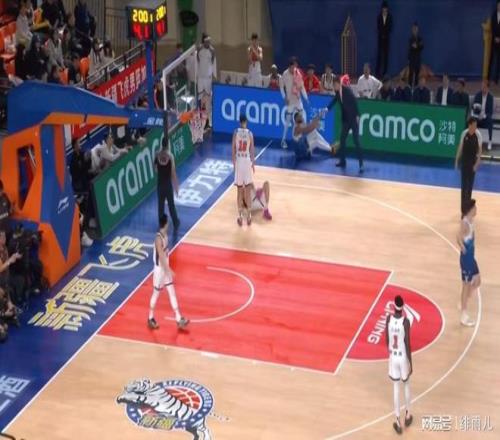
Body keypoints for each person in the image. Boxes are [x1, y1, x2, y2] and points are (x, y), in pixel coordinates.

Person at [148, 214, 189, 330]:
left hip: (165, 268)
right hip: (159, 270)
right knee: (156, 293)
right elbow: (161, 256)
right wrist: (169, 270)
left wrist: (167, 268)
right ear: (165, 223)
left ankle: (178, 318)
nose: (169, 223)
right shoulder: (158, 239)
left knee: (172, 291)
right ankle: (150, 317)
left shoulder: (165, 235)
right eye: (168, 222)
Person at [385, 294, 413, 434]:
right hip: (402, 357)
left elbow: (386, 339)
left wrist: (390, 353)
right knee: (406, 384)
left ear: (394, 306)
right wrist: (410, 362)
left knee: (396, 387)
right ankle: (408, 415)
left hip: (393, 356)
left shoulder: (388, 319)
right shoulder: (405, 322)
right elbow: (407, 343)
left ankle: (397, 420)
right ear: (403, 307)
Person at [326, 75, 364, 172]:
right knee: (342, 140)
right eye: (333, 85)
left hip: (353, 119)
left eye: (335, 85)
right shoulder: (337, 92)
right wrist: (327, 108)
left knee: (356, 141)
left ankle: (361, 164)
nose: (334, 87)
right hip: (346, 120)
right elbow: (335, 100)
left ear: (339, 84)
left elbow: (354, 101)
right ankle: (342, 161)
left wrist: (358, 115)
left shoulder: (347, 90)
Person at [457, 199, 480, 327]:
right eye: (475, 207)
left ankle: (463, 301)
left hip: (471, 257)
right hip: (466, 259)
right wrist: (462, 247)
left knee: (477, 281)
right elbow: (458, 237)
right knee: (466, 285)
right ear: (470, 209)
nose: (476, 209)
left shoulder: (471, 221)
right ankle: (463, 316)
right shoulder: (465, 223)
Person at [455, 118, 482, 217]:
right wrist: (456, 160)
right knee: (464, 187)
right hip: (464, 163)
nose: (475, 127)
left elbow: (480, 151)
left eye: (476, 125)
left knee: (469, 187)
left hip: (472, 164)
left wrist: (476, 164)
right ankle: (463, 211)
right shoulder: (464, 134)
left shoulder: (478, 135)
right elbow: (460, 147)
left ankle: (468, 209)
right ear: (470, 125)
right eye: (474, 125)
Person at [280, 57, 308, 149]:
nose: (294, 69)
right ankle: (283, 140)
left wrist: (306, 98)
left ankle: (304, 140)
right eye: (292, 67)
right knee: (287, 122)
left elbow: (302, 87)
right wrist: (284, 97)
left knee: (302, 120)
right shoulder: (284, 74)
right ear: (289, 66)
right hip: (290, 102)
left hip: (298, 100)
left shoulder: (298, 73)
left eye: (295, 66)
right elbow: (281, 87)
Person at [232, 114, 255, 226]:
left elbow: (233, 148)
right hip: (246, 161)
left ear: (239, 122)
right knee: (248, 190)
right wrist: (253, 164)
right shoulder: (250, 133)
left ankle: (240, 216)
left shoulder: (236, 132)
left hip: (239, 162)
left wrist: (234, 163)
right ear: (246, 121)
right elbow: (252, 150)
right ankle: (249, 216)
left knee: (239, 191)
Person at [155, 139, 180, 231]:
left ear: (162, 144)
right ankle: (175, 222)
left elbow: (155, 169)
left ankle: (161, 224)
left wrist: (161, 170)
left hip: (160, 184)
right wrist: (176, 186)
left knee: (160, 205)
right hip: (168, 184)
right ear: (168, 145)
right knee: (171, 205)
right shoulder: (170, 156)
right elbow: (173, 172)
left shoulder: (157, 154)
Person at [197, 35, 217, 127]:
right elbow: (197, 61)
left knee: (208, 100)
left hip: (208, 78)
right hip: (201, 78)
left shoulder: (212, 50)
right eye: (207, 41)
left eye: (209, 41)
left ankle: (209, 121)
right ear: (204, 42)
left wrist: (214, 76)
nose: (208, 43)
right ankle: (200, 119)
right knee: (200, 99)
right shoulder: (199, 49)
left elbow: (214, 62)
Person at [472, 81, 493, 150]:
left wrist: (484, 115)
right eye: (482, 87)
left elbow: (490, 112)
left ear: (488, 88)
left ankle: (490, 141)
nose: (483, 89)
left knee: (490, 121)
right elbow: (474, 107)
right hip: (477, 116)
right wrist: (478, 114)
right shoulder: (478, 95)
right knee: (472, 121)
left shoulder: (490, 97)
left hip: (486, 118)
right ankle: (473, 141)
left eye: (484, 87)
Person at [376, 0, 392, 78]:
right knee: (379, 56)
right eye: (383, 9)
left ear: (387, 9)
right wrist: (382, 34)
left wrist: (385, 34)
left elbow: (390, 27)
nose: (384, 10)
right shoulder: (379, 17)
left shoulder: (390, 17)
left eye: (386, 9)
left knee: (386, 57)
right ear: (382, 9)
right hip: (380, 39)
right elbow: (378, 27)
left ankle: (384, 73)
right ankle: (377, 73)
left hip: (386, 39)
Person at [408, 22, 423, 88]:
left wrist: (417, 46)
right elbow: (413, 47)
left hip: (418, 59)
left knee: (417, 74)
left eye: (416, 29)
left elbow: (421, 47)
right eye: (414, 29)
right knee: (411, 74)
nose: (415, 30)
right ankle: (409, 88)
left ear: (417, 30)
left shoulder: (420, 38)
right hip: (412, 59)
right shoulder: (410, 39)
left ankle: (416, 88)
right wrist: (418, 46)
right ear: (412, 30)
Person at [489, 0, 500, 84]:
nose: (499, 7)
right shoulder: (493, 15)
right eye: (498, 5)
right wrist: (495, 38)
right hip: (494, 41)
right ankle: (489, 78)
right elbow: (492, 27)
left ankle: (496, 79)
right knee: (492, 60)